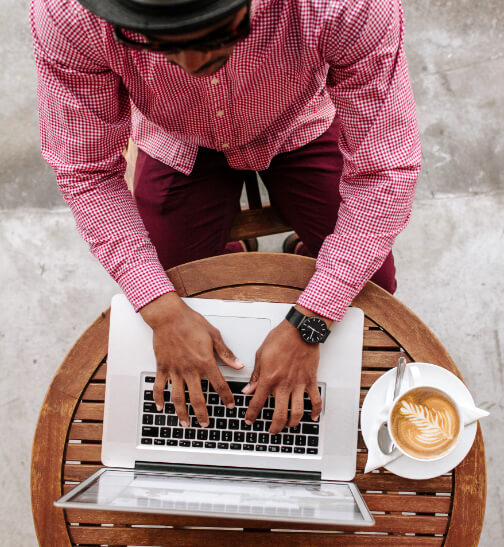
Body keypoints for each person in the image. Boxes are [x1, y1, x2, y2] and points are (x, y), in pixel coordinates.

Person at [31, 0, 421, 436]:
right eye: (157, 42)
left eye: (215, 33)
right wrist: (162, 311)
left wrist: (312, 320)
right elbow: (85, 171)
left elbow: (386, 171)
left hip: (299, 120)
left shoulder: (345, 5)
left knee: (375, 288)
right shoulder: (67, 12)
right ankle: (236, 253)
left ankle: (305, 252)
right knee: (173, 287)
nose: (195, 65)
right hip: (177, 137)